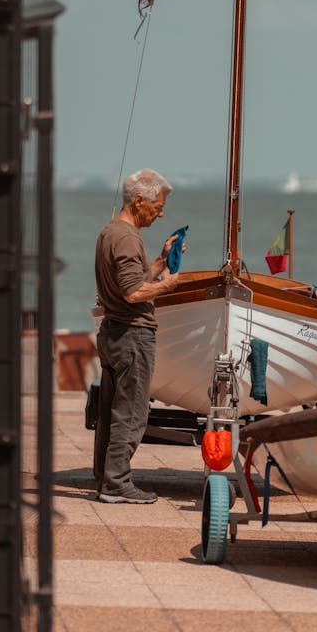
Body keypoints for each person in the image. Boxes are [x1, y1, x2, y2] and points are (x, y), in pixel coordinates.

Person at [93, 169, 182, 504]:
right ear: (139, 200)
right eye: (157, 205)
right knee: (131, 413)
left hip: (113, 332)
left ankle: (105, 477)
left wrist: (159, 262)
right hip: (132, 334)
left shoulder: (111, 232)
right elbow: (132, 292)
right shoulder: (129, 239)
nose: (160, 212)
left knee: (112, 410)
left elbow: (124, 282)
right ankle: (117, 484)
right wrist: (166, 286)